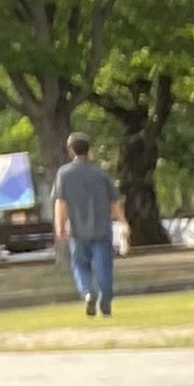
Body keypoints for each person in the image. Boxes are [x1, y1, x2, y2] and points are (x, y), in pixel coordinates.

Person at [49, 135, 116, 317]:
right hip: (101, 229)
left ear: (71, 150)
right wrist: (123, 221)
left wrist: (59, 225)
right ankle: (105, 298)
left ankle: (88, 292)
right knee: (104, 267)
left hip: (77, 230)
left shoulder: (64, 173)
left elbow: (61, 202)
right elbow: (114, 201)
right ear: (89, 150)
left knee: (80, 265)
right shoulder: (100, 173)